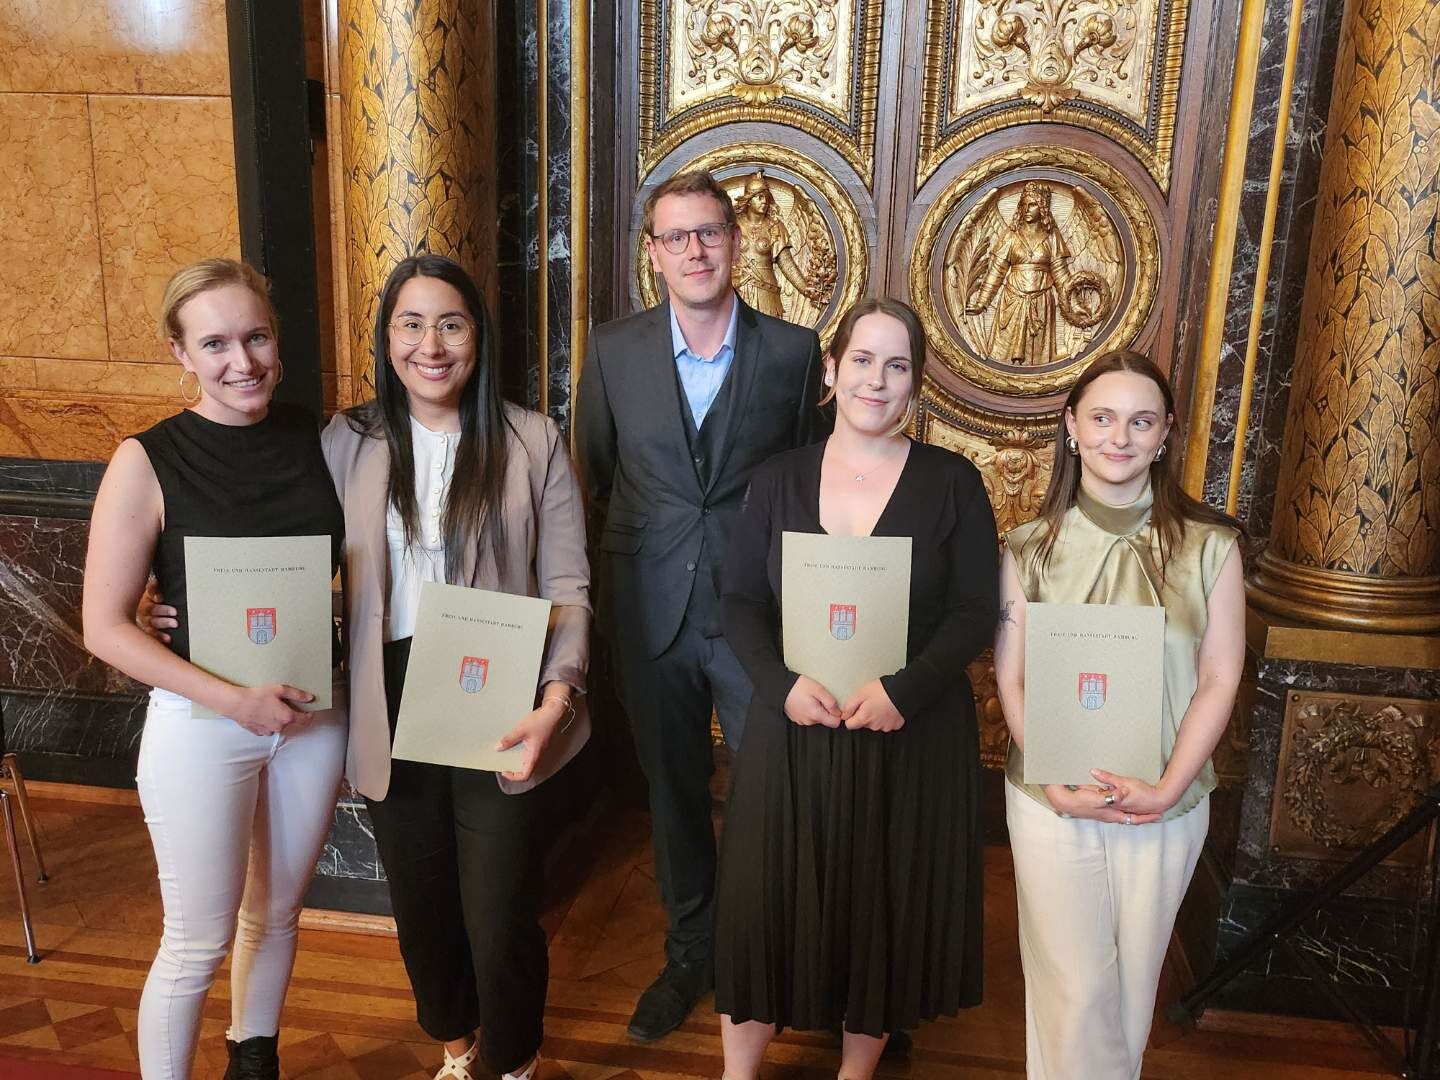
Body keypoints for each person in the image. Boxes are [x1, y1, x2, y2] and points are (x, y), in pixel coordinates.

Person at [714, 298, 1000, 1079]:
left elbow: (976, 609)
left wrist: (906, 690)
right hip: (793, 723)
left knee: (883, 901)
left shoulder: (953, 482)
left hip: (908, 730)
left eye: (897, 365)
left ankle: (856, 1072)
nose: (878, 379)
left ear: (916, 383)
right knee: (763, 900)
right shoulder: (777, 478)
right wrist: (778, 684)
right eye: (864, 360)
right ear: (833, 371)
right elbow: (738, 599)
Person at [322, 254, 591, 1080]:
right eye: (411, 324)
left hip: (497, 692)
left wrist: (557, 698)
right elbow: (288, 552)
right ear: (386, 339)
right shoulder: (347, 441)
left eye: (450, 324)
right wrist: (183, 604)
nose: (430, 346)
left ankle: (512, 1062)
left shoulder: (532, 440)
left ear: (478, 337)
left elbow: (569, 585)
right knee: (422, 904)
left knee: (501, 907)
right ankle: (456, 1046)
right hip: (390, 690)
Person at [82, 259, 348, 1080]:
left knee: (278, 913)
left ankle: (253, 1059)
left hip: (313, 716)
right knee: (196, 940)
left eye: (256, 337)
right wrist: (233, 700)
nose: (243, 361)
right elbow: (102, 627)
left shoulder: (320, 438)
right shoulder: (146, 459)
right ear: (180, 353)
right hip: (202, 723)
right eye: (216, 344)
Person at [576, 169, 825, 1041]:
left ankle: (770, 952)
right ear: (653, 253)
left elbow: (809, 486)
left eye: (709, 232)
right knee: (674, 790)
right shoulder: (613, 350)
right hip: (650, 607)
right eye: (675, 236)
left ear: (734, 241)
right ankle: (690, 953)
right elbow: (595, 474)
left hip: (759, 614)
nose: (694, 249)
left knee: (772, 791)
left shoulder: (793, 352)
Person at [992, 349, 1245, 1080]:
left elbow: (1220, 676)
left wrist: (1166, 789)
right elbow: (1011, 674)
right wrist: (1052, 775)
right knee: (1072, 991)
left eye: (1141, 421)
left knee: (1133, 991)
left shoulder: (1211, 547)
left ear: (1165, 434)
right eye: (1102, 418)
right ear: (1072, 427)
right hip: (1051, 799)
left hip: (1165, 799)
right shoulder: (1029, 546)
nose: (1119, 437)